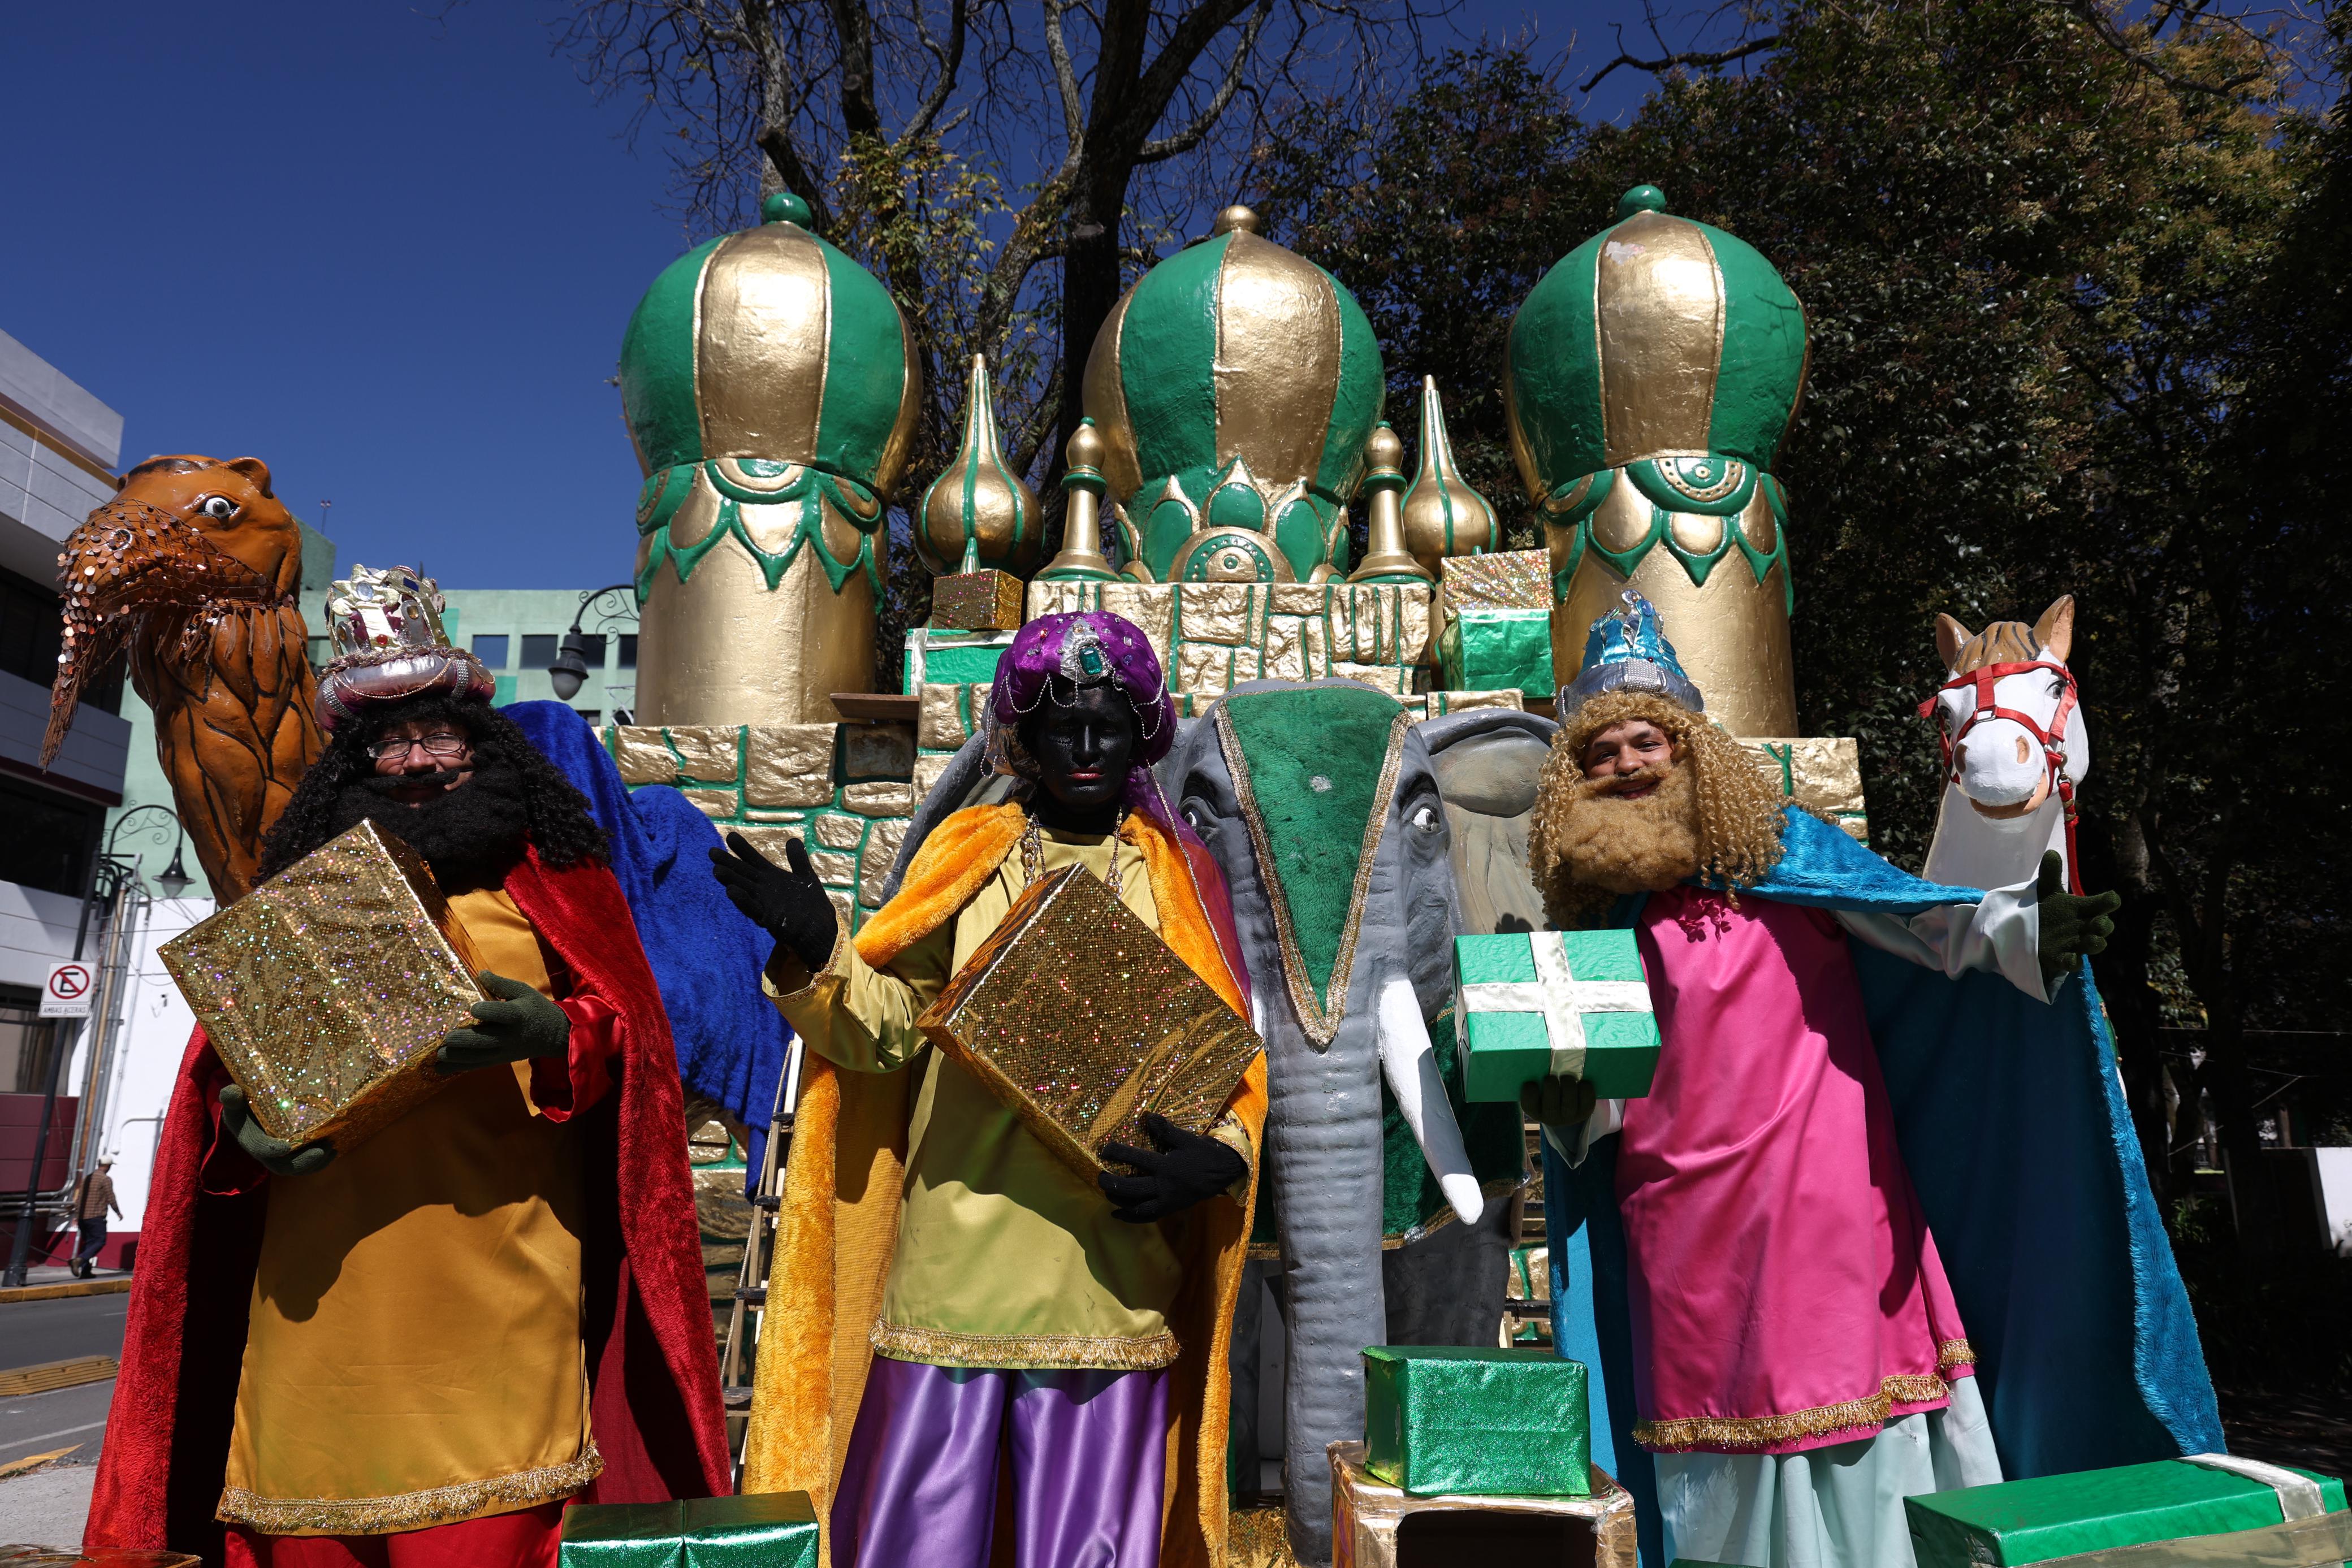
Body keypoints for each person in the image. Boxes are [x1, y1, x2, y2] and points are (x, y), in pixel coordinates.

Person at [1524, 592, 2220, 1568]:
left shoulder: (1787, 853)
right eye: (1603, 753)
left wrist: (2025, 928)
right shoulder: (1596, 927)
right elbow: (1605, 1091)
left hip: (1830, 1206)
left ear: (1692, 750)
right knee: (1720, 1466)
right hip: (1682, 1230)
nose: (1629, 763)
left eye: (1648, 740)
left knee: (1868, 1459)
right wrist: (1569, 1116)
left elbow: (1922, 923)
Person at [83, 568, 728, 1568]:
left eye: (441, 737)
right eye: (390, 741)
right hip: (315, 1310)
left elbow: (636, 1050)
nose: (418, 760)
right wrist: (242, 1130)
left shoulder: (558, 887)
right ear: (355, 762)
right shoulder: (304, 901)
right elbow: (225, 1090)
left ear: (487, 746)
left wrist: (558, 1033)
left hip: (499, 1303)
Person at [716, 610, 1263, 1568]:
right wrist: (821, 947)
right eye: (1062, 725)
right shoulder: (968, 854)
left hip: (1109, 1275)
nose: (1085, 746)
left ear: (1139, 733)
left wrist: (1224, 1154)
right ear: (1026, 736)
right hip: (954, 1269)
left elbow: (1225, 1063)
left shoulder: (1180, 876)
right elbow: (888, 1030)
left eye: (1106, 724)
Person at [70, 1158, 119, 1278]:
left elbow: (79, 1198)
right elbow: (111, 1197)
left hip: (83, 1217)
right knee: (99, 1241)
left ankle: (85, 1271)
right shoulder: (105, 1179)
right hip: (96, 1217)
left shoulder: (87, 1178)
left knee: (89, 1243)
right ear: (107, 1166)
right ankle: (80, 1260)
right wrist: (118, 1212)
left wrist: (76, 1216)